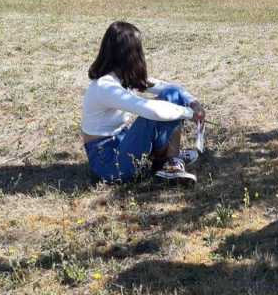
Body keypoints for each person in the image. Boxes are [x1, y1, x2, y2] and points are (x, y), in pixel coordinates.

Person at [81, 21, 206, 184]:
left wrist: (193, 103)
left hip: (121, 143)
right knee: (154, 113)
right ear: (128, 54)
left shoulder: (122, 77)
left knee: (171, 94)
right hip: (109, 163)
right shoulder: (105, 86)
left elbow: (170, 88)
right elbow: (150, 111)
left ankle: (171, 160)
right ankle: (169, 162)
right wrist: (188, 113)